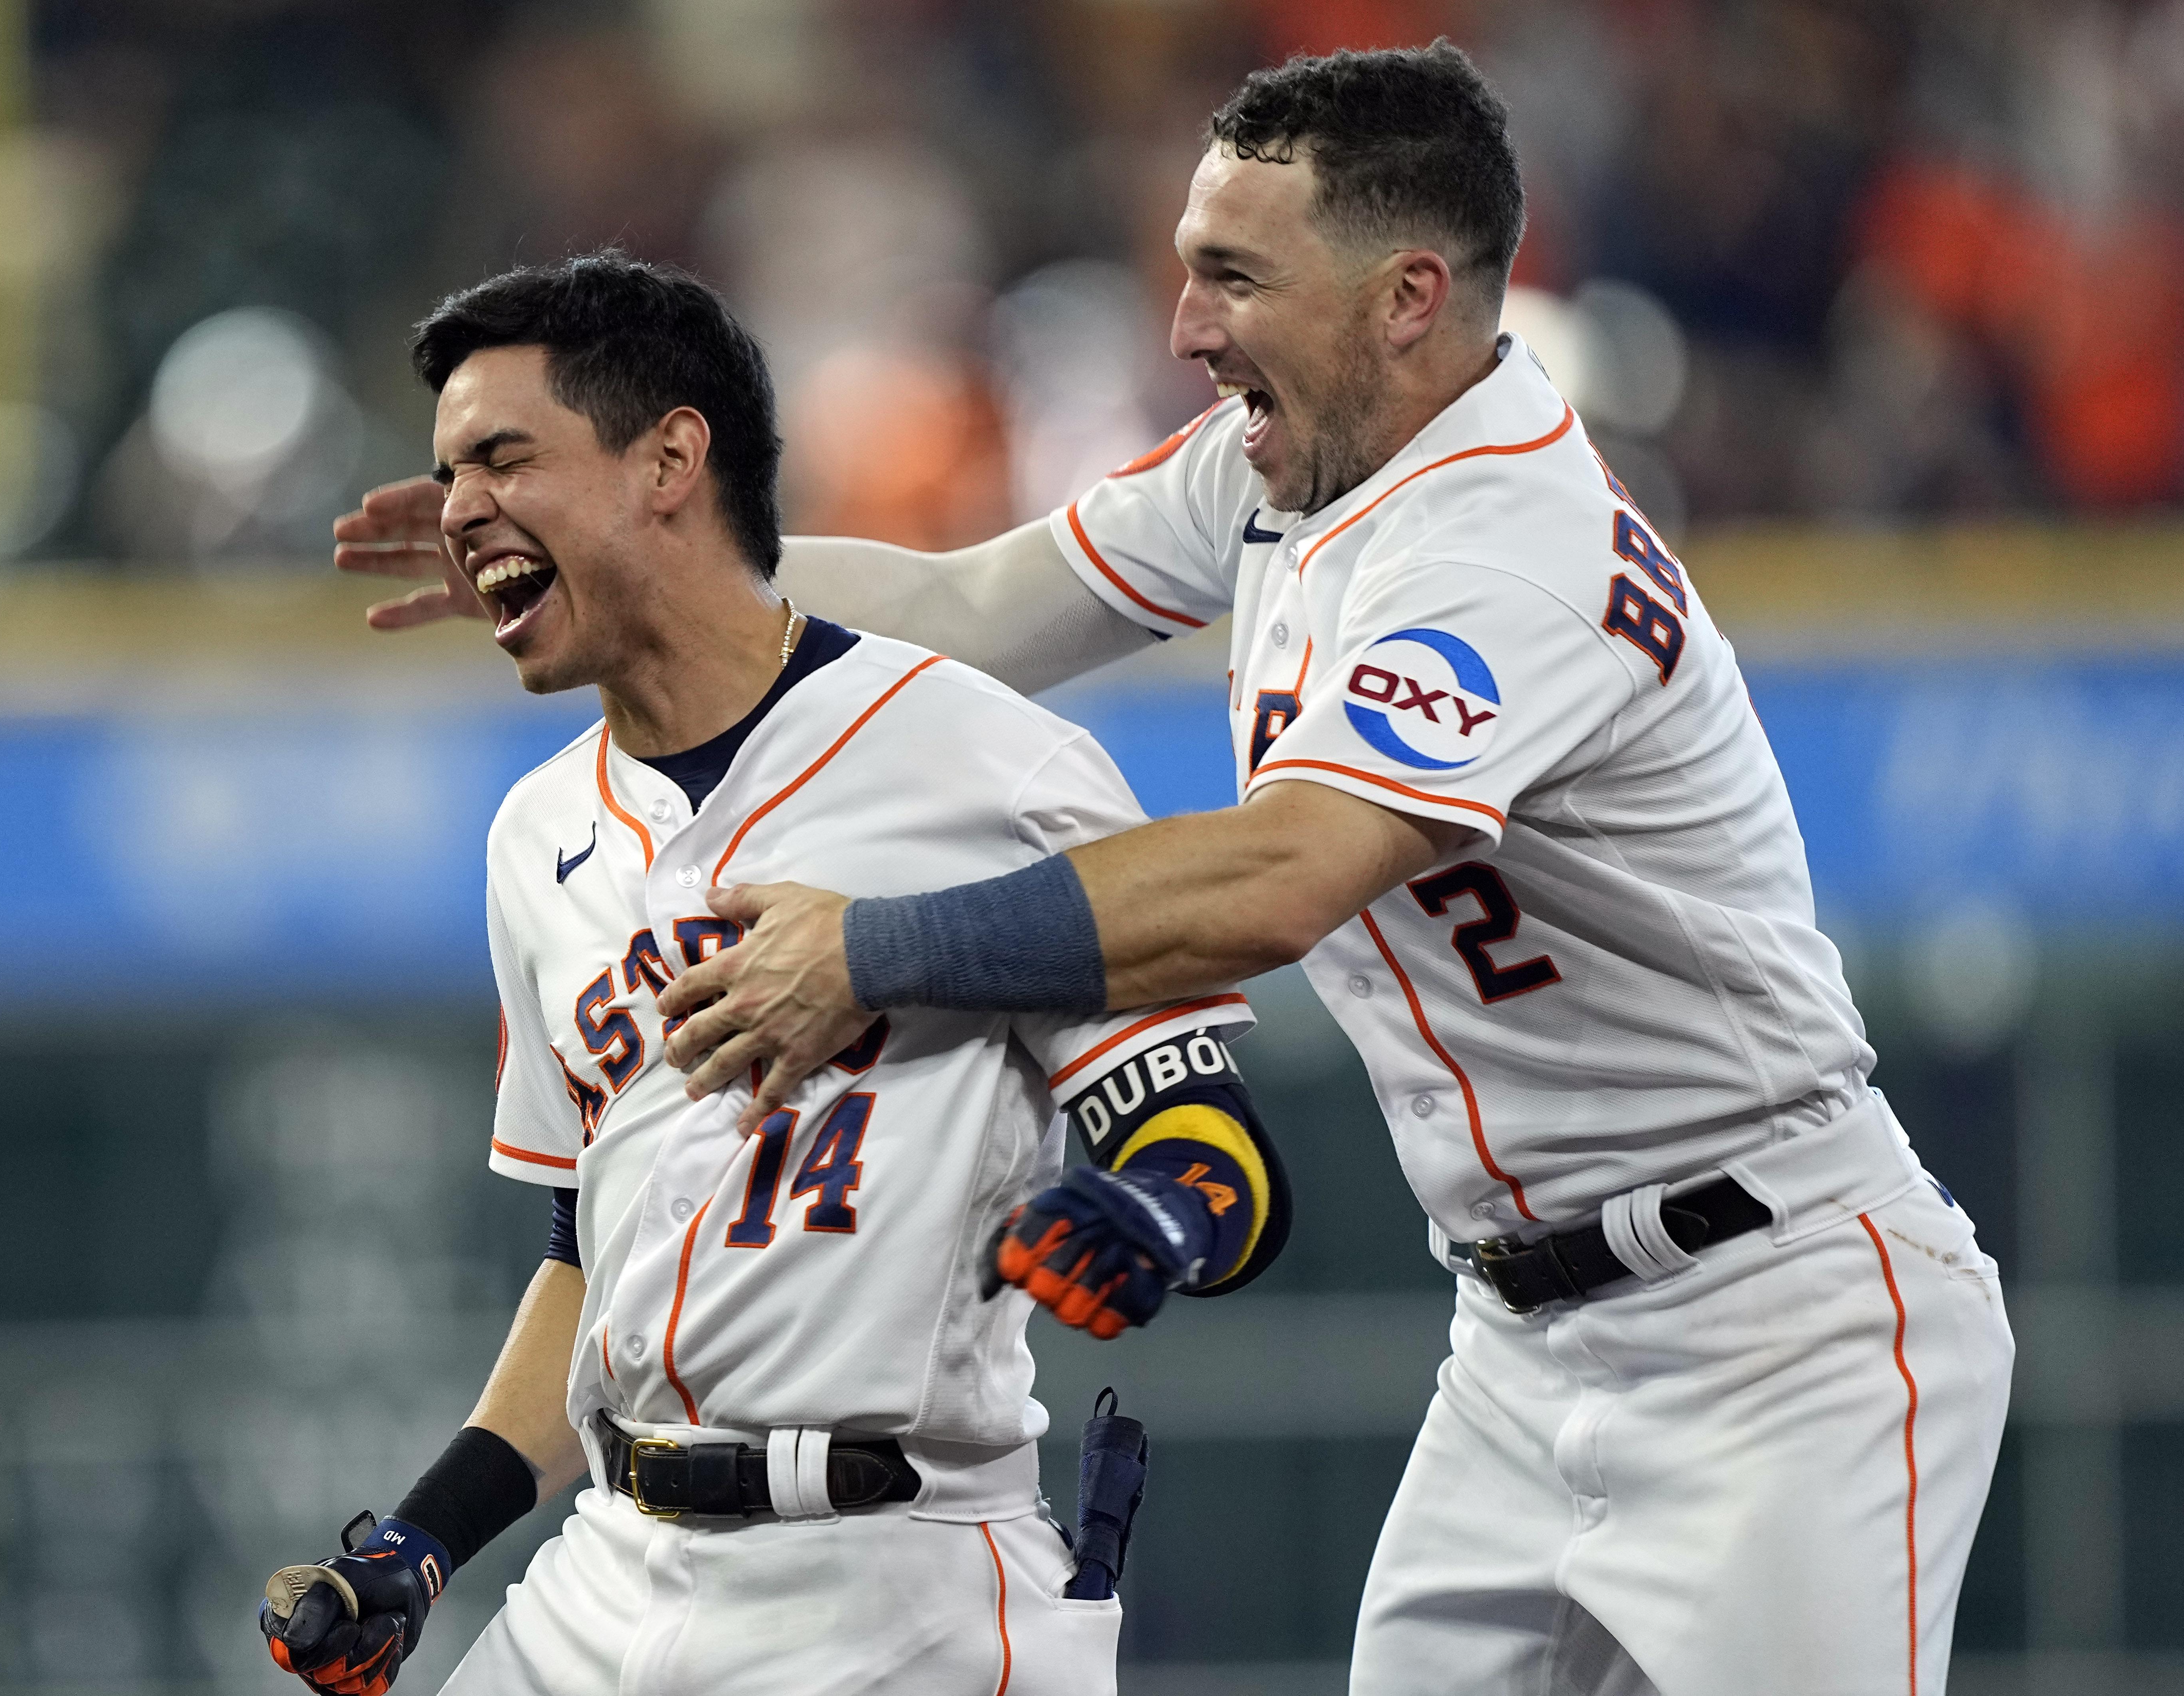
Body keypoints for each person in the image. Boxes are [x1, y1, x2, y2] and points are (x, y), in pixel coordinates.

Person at [331, 43, 2013, 1696]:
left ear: (1404, 297)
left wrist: (873, 949)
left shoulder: (1512, 548)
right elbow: (985, 608)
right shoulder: (1282, 467)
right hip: (1520, 1331)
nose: (1184, 324)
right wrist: (632, 551)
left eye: (1229, 276)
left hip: (1772, 1311)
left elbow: (1279, 879)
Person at [261, 254, 1290, 1696]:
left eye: (503, 456)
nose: (458, 510)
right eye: (447, 474)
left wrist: (1159, 1210)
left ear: (671, 458)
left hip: (896, 1578)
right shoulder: (536, 832)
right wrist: (425, 1541)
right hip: (605, 1568)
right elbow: (587, 1263)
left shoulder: (981, 760)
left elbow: (1209, 1141)